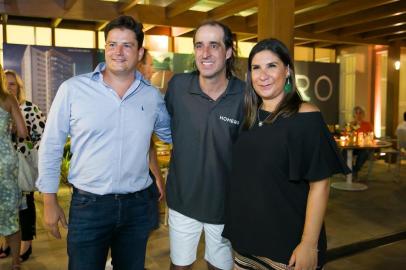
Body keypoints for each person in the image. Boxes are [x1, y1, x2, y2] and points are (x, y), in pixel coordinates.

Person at [36, 15, 171, 270]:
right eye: (112, 44)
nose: (118, 52)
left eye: (127, 45)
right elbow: (51, 145)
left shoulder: (153, 97)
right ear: (105, 47)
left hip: (137, 206)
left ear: (140, 52)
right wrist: (49, 200)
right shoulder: (73, 89)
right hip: (89, 207)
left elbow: (172, 135)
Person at [222, 38, 350, 270]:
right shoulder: (249, 116)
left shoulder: (306, 117)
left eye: (272, 65)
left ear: (288, 70)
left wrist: (309, 244)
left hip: (286, 247)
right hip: (246, 243)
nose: (263, 75)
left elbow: (320, 185)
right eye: (256, 68)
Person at [165, 20, 245, 270]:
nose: (205, 53)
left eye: (214, 45)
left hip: (225, 206)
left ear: (229, 51)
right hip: (182, 201)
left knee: (220, 267)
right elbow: (163, 126)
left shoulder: (245, 95)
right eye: (199, 45)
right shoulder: (178, 87)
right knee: (179, 266)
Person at [1, 70, 45, 262]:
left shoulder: (29, 108)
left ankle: (25, 243)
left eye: (13, 84)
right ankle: (7, 244)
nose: (10, 87)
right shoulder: (6, 103)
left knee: (25, 205)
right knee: (8, 205)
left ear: (19, 87)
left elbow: (42, 135)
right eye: (7, 83)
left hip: (22, 161)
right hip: (8, 161)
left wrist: (30, 152)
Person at [0, 64, 28, 269]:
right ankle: (16, 263)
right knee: (10, 214)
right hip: (6, 162)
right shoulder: (8, 99)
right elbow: (22, 132)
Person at [346, 106, 374, 178]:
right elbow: (346, 136)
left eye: (360, 113)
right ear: (354, 114)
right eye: (356, 113)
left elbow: (372, 136)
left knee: (364, 153)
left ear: (363, 114)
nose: (358, 115)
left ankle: (354, 170)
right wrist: (350, 131)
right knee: (343, 153)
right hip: (352, 147)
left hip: (362, 147)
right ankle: (352, 170)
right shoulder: (351, 124)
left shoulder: (367, 124)